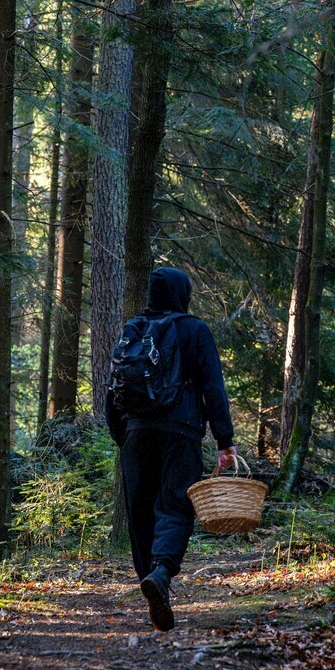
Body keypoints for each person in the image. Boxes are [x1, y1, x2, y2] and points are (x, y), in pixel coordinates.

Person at [105, 266, 236, 632]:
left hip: (135, 432)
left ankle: (150, 576)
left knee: (140, 511)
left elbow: (111, 388)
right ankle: (161, 574)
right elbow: (213, 386)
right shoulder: (194, 329)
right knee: (175, 506)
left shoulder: (133, 328)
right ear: (183, 293)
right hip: (180, 433)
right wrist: (224, 440)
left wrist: (124, 434)